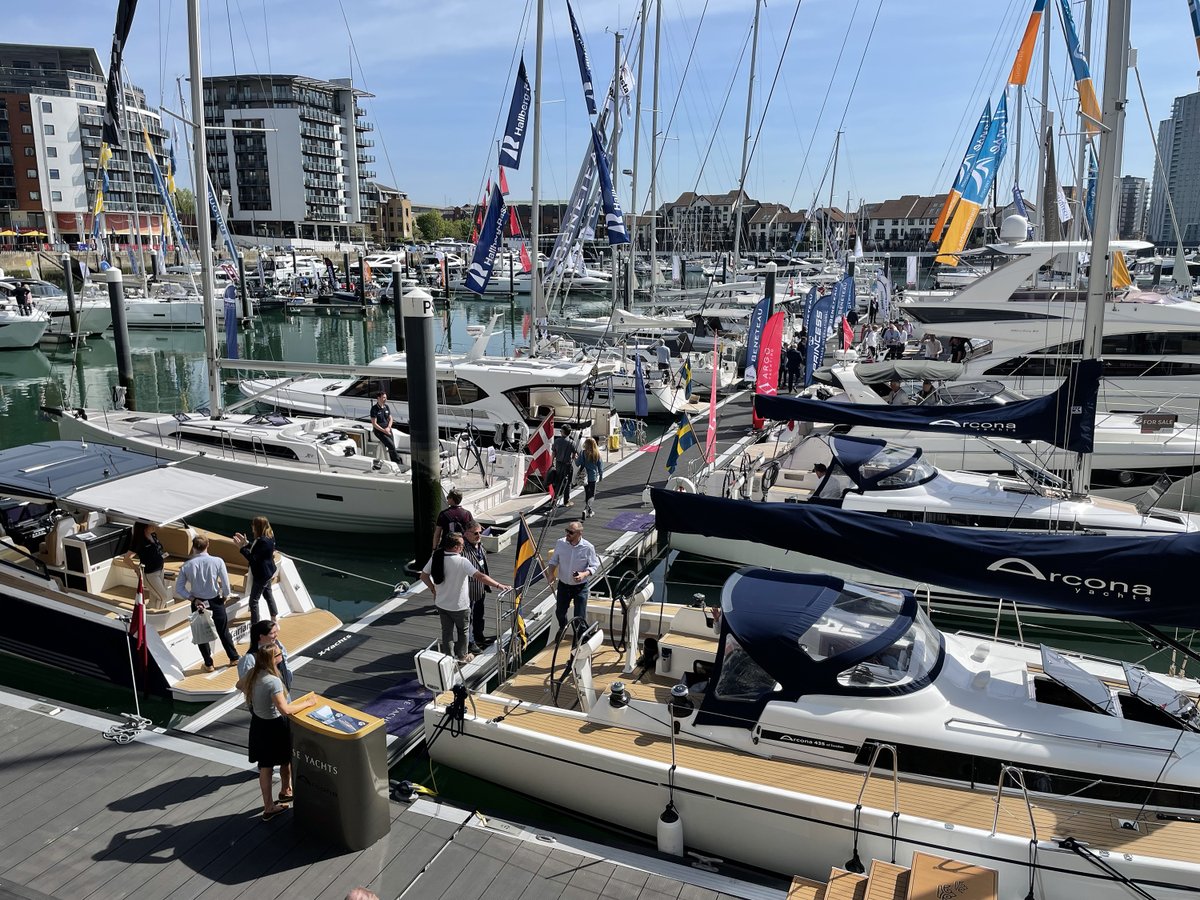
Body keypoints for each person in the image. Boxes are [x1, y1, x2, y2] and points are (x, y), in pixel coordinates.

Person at [244, 642, 317, 821]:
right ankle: (284, 792)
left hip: (259, 725)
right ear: (272, 659)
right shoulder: (273, 681)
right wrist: (308, 703)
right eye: (278, 655)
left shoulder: (252, 675)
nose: (282, 657)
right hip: (274, 726)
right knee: (285, 760)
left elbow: (240, 685)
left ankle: (269, 805)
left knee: (265, 766)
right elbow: (285, 709)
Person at [420, 533, 508, 663]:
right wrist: (499, 585)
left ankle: (448, 659)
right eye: (462, 545)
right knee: (463, 631)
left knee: (447, 632)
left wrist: (433, 589)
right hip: (459, 606)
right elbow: (480, 576)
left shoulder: (436, 557)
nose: (463, 548)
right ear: (456, 547)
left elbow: (423, 576)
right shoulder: (462, 561)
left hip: (441, 604)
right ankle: (462, 656)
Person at [176, 534, 239, 672]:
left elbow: (179, 588)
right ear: (208, 545)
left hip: (198, 602)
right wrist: (225, 596)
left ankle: (209, 664)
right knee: (223, 630)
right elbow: (226, 585)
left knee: (202, 634)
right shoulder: (218, 561)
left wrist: (192, 599)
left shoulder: (186, 565)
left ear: (193, 547)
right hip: (216, 600)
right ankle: (234, 657)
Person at [547, 520, 601, 636]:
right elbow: (553, 561)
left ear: (579, 533)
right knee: (560, 612)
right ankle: (563, 627)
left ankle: (582, 638)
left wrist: (583, 574)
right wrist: (551, 574)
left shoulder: (588, 547)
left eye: (571, 532)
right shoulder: (560, 543)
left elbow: (594, 565)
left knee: (579, 617)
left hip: (580, 587)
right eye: (567, 531)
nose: (567, 534)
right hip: (563, 585)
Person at [234, 516, 277, 625]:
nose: (252, 527)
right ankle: (274, 619)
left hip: (261, 574)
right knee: (268, 594)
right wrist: (246, 543)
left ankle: (255, 626)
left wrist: (241, 548)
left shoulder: (262, 541)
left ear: (257, 527)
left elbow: (253, 559)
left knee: (253, 602)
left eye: (253, 525)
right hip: (268, 572)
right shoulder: (269, 537)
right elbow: (258, 550)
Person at [123, 521, 171, 609]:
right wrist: (136, 569)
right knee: (162, 597)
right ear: (144, 527)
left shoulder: (153, 535)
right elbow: (126, 559)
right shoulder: (139, 541)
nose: (154, 526)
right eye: (151, 525)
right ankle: (158, 619)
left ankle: (147, 616)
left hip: (160, 570)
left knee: (154, 600)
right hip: (150, 574)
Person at [237, 620, 292, 692]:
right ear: (261, 636)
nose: (276, 635)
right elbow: (246, 685)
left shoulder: (278, 645)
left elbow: (285, 661)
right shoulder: (249, 658)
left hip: (284, 692)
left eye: (276, 632)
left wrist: (288, 675)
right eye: (272, 633)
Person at [462, 522, 490, 653]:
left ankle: (479, 637)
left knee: (480, 614)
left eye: (480, 532)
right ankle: (470, 643)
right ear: (466, 533)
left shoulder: (479, 545)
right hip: (468, 589)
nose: (479, 535)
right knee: (469, 617)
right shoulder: (462, 549)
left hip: (480, 587)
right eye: (475, 533)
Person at [575, 436, 604, 519]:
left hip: (584, 477)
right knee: (592, 496)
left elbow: (577, 464)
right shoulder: (597, 454)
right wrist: (601, 476)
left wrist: (575, 458)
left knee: (587, 494)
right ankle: (586, 509)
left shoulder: (582, 453)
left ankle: (590, 511)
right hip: (593, 477)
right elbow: (600, 467)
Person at [370, 391, 401, 464]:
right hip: (379, 431)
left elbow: (391, 418)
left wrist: (389, 427)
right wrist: (384, 431)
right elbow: (374, 424)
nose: (385, 399)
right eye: (383, 397)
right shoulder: (374, 409)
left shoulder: (386, 407)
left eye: (386, 397)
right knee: (391, 446)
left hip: (388, 429)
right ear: (378, 398)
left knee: (392, 446)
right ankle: (398, 462)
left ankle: (394, 462)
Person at [551, 424, 577, 507]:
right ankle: (566, 501)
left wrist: (552, 463)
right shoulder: (572, 443)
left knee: (558, 482)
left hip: (558, 464)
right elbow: (574, 455)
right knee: (567, 483)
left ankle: (554, 500)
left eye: (561, 431)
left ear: (563, 432)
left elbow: (553, 453)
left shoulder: (557, 441)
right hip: (567, 464)